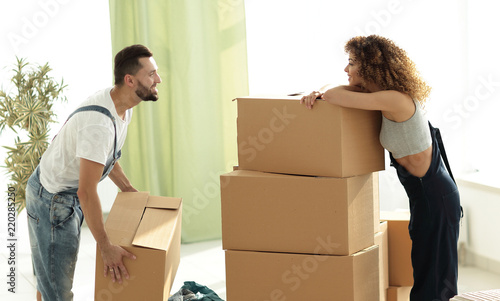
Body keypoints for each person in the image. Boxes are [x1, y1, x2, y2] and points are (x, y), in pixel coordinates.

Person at [301, 35, 461, 301]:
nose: (346, 69)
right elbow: (333, 90)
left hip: (435, 197)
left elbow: (333, 94)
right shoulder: (383, 96)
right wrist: (321, 90)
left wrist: (322, 92)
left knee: (434, 280)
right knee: (426, 271)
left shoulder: (394, 100)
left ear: (369, 66)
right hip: (426, 196)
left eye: (351, 63)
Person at [25, 44, 162, 301]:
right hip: (52, 200)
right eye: (151, 74)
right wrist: (106, 247)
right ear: (130, 80)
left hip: (62, 191)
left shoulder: (122, 106)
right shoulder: (98, 125)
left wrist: (130, 192)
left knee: (50, 280)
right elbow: (87, 192)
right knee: (58, 290)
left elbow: (106, 158)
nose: (158, 79)